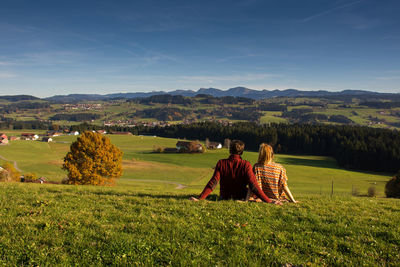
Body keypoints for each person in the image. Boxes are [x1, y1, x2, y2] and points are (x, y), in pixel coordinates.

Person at [190, 140, 281, 204]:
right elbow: (253, 185)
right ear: (241, 152)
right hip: (241, 196)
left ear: (230, 150)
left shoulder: (221, 163)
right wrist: (268, 201)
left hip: (224, 197)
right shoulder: (246, 165)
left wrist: (200, 198)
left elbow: (213, 182)